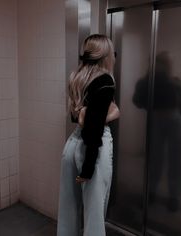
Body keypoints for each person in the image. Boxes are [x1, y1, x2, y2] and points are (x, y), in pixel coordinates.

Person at [57, 34, 118, 236]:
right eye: (112, 52)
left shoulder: (77, 77)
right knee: (94, 215)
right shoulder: (105, 80)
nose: (114, 56)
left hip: (73, 144)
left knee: (68, 207)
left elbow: (78, 118)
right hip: (93, 148)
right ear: (105, 55)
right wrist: (88, 167)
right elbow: (93, 127)